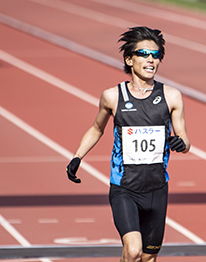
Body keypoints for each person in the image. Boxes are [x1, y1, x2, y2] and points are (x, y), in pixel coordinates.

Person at [66, 26, 191, 262]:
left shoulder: (171, 96)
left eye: (155, 55)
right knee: (133, 250)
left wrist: (180, 143)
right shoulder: (112, 96)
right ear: (129, 59)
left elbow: (185, 140)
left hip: (157, 188)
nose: (151, 59)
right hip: (125, 188)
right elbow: (97, 128)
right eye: (144, 54)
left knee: (147, 258)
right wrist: (77, 157)